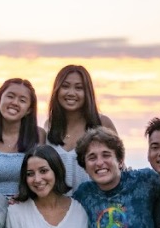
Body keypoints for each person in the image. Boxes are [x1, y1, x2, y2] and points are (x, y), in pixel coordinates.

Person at [45, 64, 117, 194]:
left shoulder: (103, 123)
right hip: (58, 211)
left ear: (87, 92)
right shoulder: (48, 126)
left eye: (79, 88)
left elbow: (118, 168)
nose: (71, 93)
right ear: (57, 90)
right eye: (65, 86)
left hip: (94, 209)